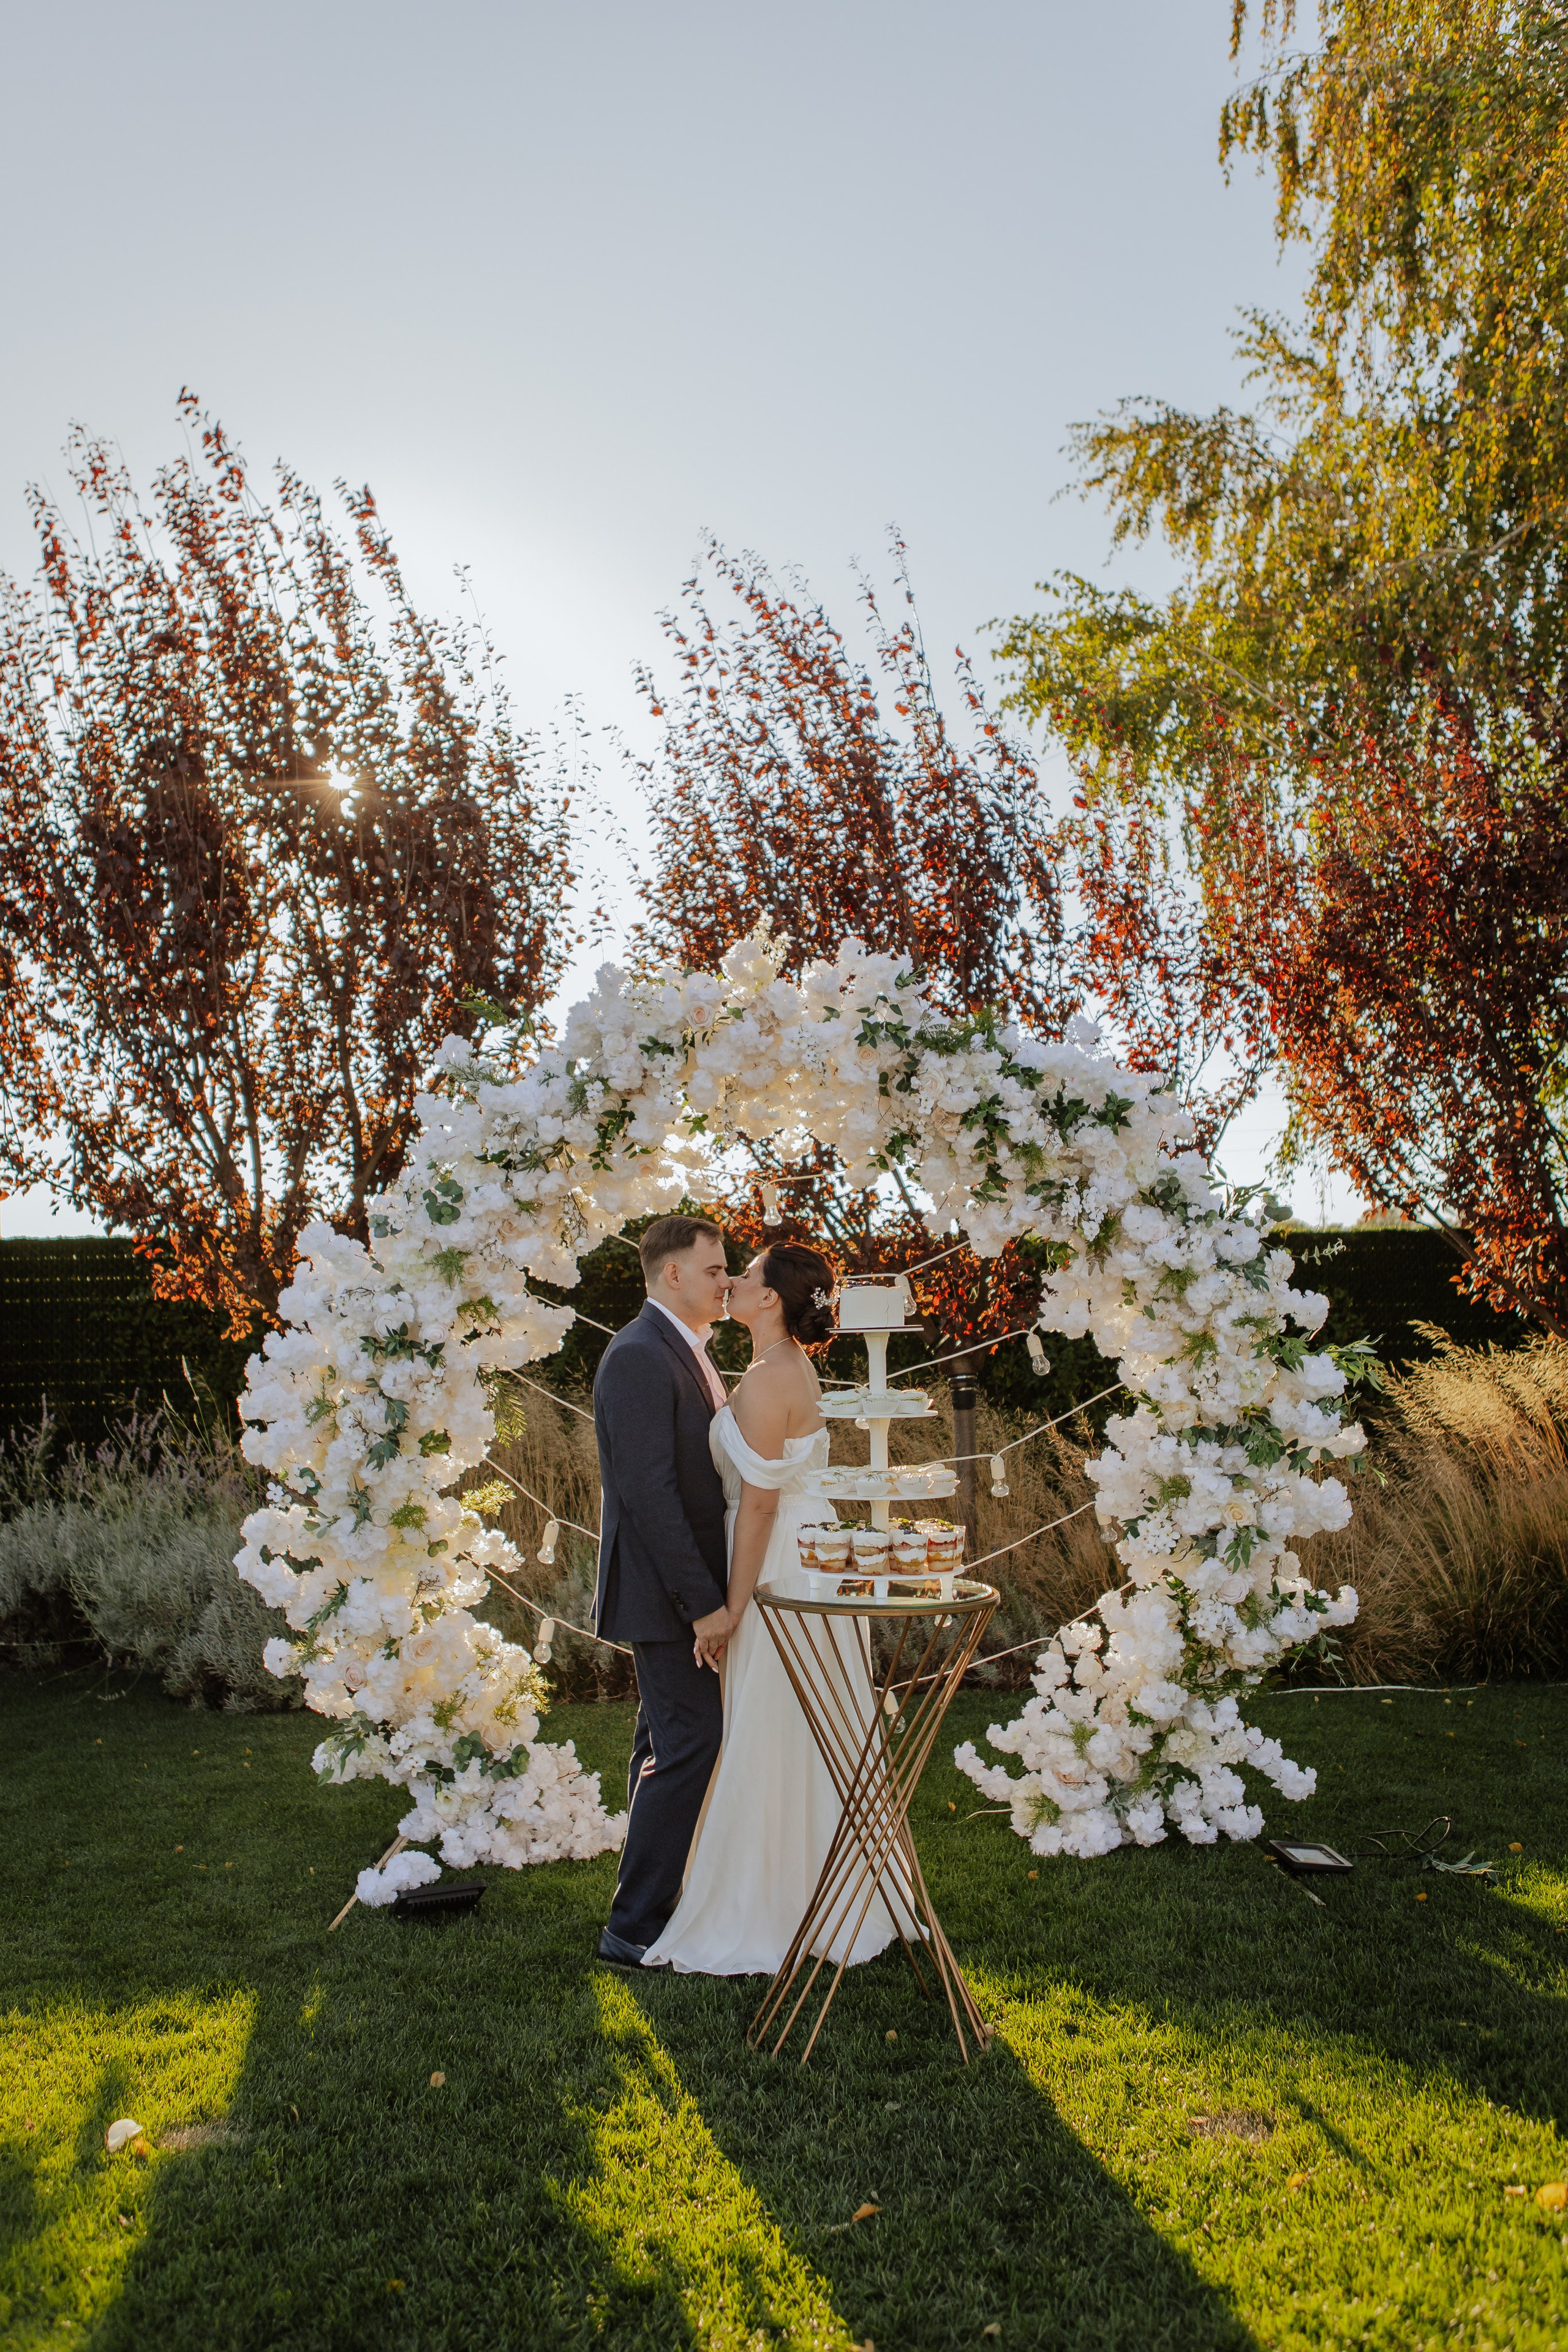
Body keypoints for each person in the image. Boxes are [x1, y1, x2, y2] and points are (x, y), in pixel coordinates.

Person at [640, 1240, 904, 1977]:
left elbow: (757, 1506)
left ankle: (769, 1901)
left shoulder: (766, 1380)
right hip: (802, 1545)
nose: (732, 1281)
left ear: (770, 1300)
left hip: (778, 1555)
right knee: (799, 1715)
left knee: (769, 1714)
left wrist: (729, 1608)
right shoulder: (783, 1365)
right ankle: (818, 1885)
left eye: (747, 1275)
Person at [592, 1215, 734, 1967]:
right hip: (665, 1593)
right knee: (690, 1742)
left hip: (681, 1588)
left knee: (663, 1741)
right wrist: (702, 1604)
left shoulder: (682, 1349)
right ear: (672, 1274)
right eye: (714, 1269)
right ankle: (634, 1926)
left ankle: (649, 1901)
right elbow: (649, 1494)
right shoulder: (640, 1355)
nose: (726, 1282)